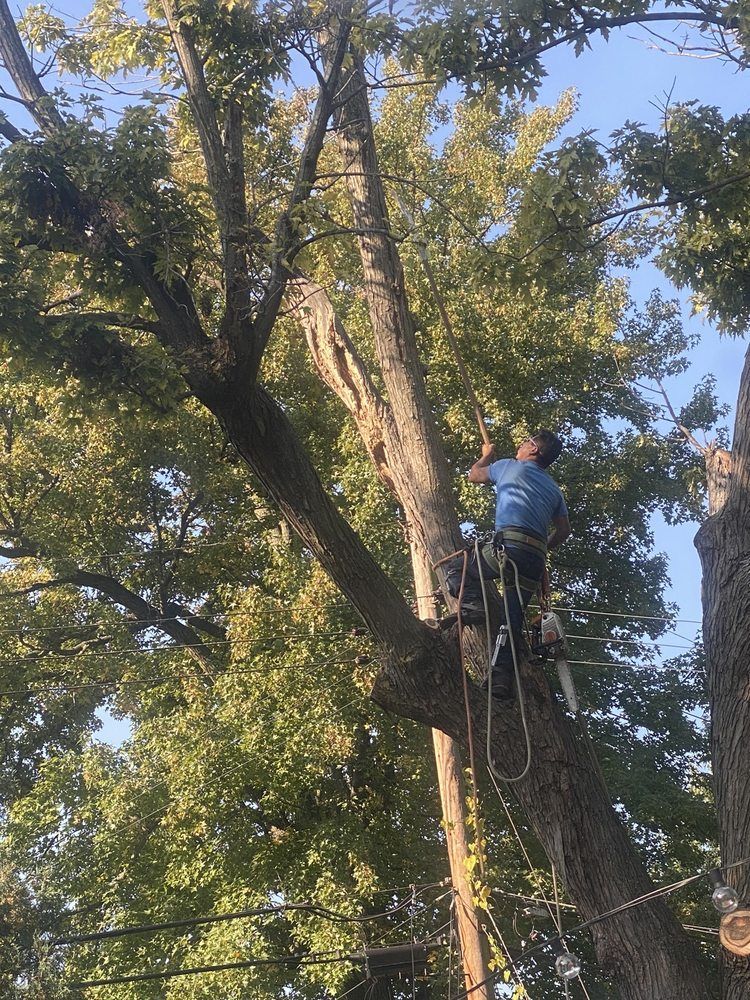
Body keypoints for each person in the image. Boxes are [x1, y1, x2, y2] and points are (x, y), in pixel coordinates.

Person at [444, 430, 571, 699]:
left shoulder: (508, 467)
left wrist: (486, 456)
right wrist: (539, 547)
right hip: (533, 560)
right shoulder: (554, 490)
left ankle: (472, 607)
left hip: (506, 549)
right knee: (510, 623)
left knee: (455, 568)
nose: (520, 445)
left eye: (526, 442)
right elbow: (563, 531)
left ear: (534, 450)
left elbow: (474, 475)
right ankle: (500, 679)